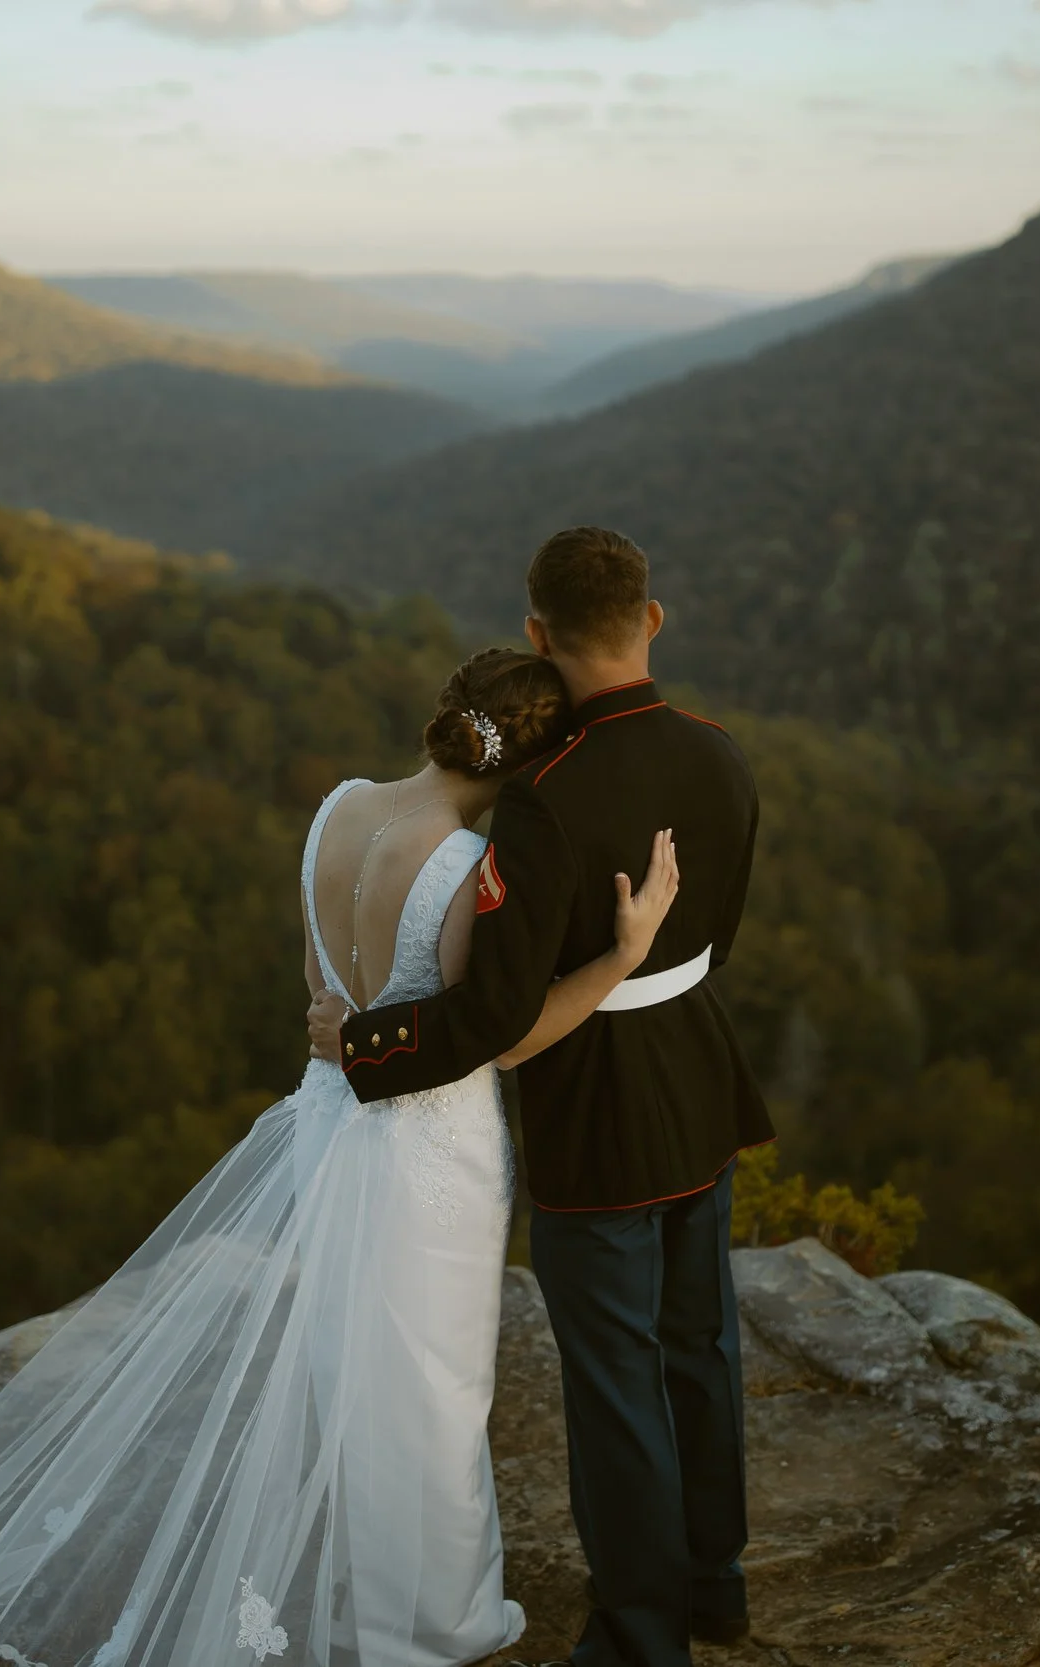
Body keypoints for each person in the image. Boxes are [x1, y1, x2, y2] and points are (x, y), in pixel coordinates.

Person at [0, 646, 682, 1667]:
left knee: (347, 1370)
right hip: (428, 1146)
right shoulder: (465, 869)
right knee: (432, 1387)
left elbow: (322, 993)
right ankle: (427, 1620)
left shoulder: (337, 810)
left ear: (444, 715)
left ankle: (363, 1578)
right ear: (530, 760)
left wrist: (348, 1031)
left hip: (330, 1120)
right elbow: (491, 1037)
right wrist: (620, 957)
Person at [310, 528, 774, 1667]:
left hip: (596, 1111)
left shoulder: (544, 798)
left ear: (535, 634)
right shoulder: (721, 754)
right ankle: (714, 1585)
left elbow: (493, 1019)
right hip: (701, 1079)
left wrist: (362, 1045)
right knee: (699, 1344)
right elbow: (719, 936)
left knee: (617, 1379)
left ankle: (639, 1630)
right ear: (650, 618)